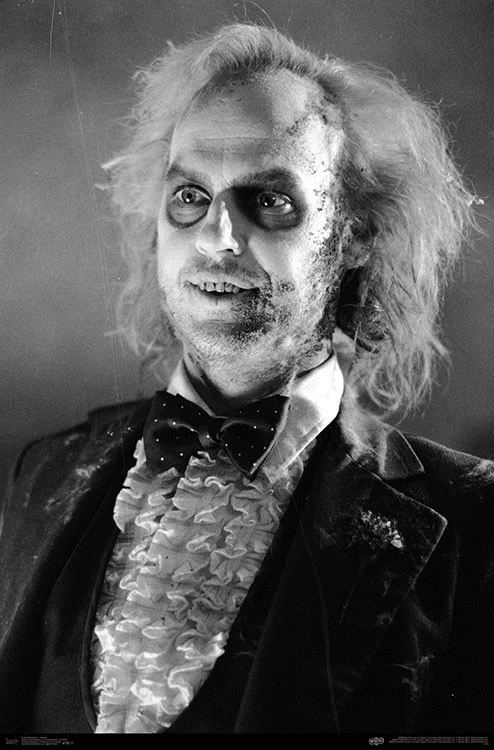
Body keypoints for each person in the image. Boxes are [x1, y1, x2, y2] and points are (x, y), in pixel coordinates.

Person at [0, 22, 493, 736]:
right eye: (190, 196)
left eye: (269, 201)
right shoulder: (42, 474)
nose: (215, 237)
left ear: (354, 234)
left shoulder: (476, 520)